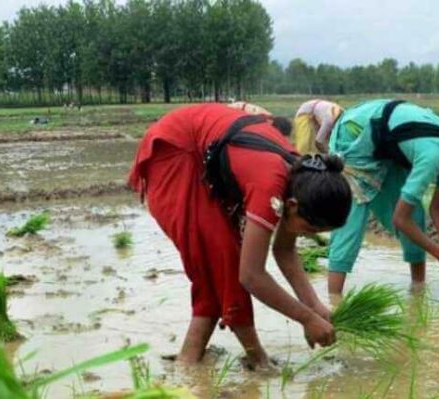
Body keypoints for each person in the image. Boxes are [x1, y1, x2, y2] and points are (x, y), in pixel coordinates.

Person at [128, 103, 352, 367]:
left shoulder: (301, 177)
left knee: (218, 265)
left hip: (201, 152)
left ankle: (188, 363)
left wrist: (314, 307)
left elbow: (284, 250)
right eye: (310, 229)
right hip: (176, 151)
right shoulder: (269, 182)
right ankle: (257, 360)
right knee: (225, 258)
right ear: (291, 206)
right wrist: (306, 318)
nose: (307, 236)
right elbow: (251, 276)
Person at [326, 99, 439, 295]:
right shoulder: (433, 154)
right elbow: (400, 219)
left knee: (414, 213)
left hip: (386, 145)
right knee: (353, 219)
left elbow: (438, 208)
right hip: (355, 132)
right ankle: (333, 304)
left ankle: (418, 291)